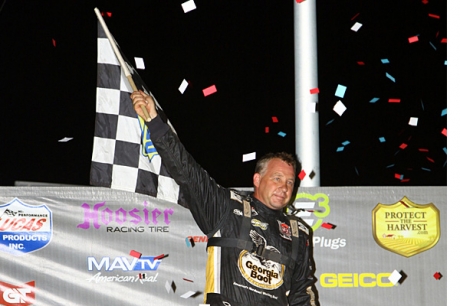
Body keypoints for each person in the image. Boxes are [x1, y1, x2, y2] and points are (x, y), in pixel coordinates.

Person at [131, 90, 319, 306]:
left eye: (289, 182)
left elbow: (302, 293)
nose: (284, 187)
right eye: (277, 178)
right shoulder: (227, 207)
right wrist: (155, 122)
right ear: (257, 179)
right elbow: (188, 173)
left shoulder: (298, 231)